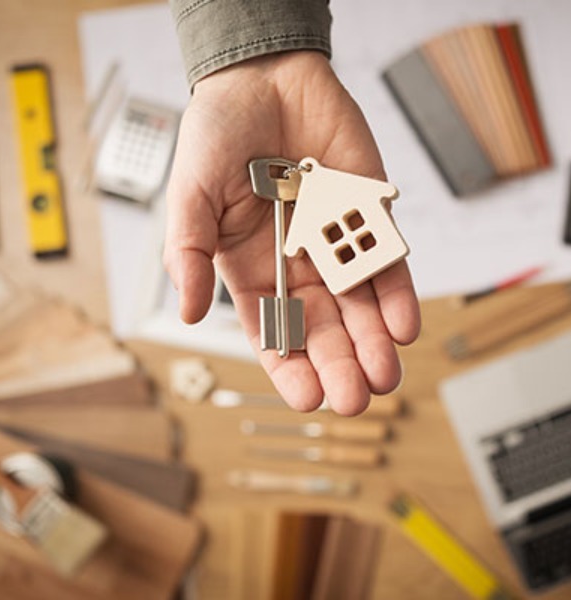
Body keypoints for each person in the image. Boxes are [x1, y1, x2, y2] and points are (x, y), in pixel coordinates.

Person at [163, 0, 420, 416]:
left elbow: (311, 234)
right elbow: (300, 241)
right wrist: (251, 55)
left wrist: (251, 53)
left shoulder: (320, 192)